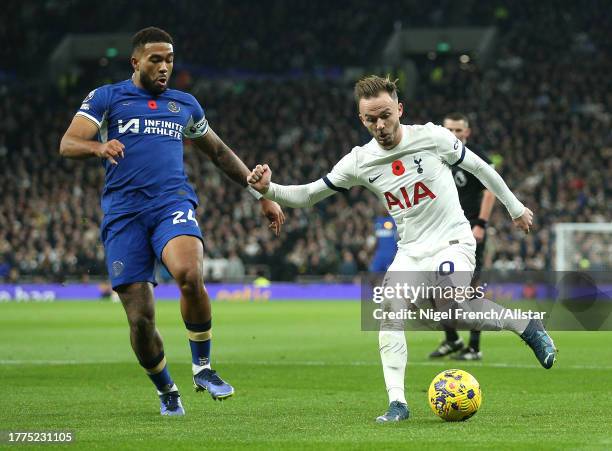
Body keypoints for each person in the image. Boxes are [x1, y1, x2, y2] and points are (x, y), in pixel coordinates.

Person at [246, 75, 557, 423]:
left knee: (451, 305)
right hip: (411, 251)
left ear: (399, 109)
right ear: (361, 120)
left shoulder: (432, 137)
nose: (380, 125)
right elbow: (308, 194)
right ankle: (397, 403)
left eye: (385, 115)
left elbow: (481, 168)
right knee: (391, 311)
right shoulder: (360, 161)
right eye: (370, 119)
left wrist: (515, 208)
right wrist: (268, 189)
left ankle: (526, 326)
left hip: (452, 240)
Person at [59, 27, 284, 416]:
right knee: (141, 321)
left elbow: (218, 152)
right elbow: (68, 143)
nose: (165, 67)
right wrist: (98, 145)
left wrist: (260, 194)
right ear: (136, 62)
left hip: (171, 203)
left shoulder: (184, 105)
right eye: (156, 60)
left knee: (188, 273)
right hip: (124, 214)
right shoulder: (107, 97)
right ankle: (166, 389)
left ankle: (203, 368)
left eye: (170, 60)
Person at [429, 112, 496, 361]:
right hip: (441, 230)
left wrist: (480, 224)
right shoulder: (436, 155)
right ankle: (452, 340)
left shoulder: (475, 157)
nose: (454, 135)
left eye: (459, 131)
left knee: (470, 288)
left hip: (469, 230)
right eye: (450, 130)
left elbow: (491, 191)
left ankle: (475, 347)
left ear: (466, 133)